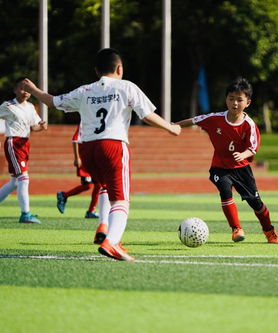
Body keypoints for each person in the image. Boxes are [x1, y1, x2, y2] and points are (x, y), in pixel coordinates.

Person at [22, 48, 181, 261]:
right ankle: (111, 242)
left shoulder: (85, 90)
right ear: (119, 68)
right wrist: (171, 128)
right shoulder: (126, 87)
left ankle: (104, 228)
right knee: (122, 200)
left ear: (97, 71)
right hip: (113, 145)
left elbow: (52, 102)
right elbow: (146, 114)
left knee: (105, 187)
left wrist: (33, 89)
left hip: (88, 149)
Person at [176, 77, 278, 244]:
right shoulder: (215, 119)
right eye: (231, 99)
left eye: (239, 100)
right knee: (225, 191)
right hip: (220, 167)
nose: (235, 103)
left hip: (241, 169)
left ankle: (269, 231)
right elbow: (194, 120)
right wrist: (175, 125)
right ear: (226, 100)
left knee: (256, 203)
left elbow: (253, 147)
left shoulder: (249, 125)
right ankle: (236, 229)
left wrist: (243, 155)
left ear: (248, 102)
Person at [0, 77, 47, 224]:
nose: (25, 92)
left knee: (14, 182)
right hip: (14, 142)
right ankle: (25, 214)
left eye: (28, 89)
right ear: (15, 90)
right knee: (24, 179)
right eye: (22, 88)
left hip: (25, 143)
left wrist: (41, 126)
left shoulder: (31, 107)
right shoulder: (8, 105)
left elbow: (33, 128)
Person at [56, 123, 102, 219]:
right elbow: (75, 139)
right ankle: (64, 195)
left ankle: (91, 211)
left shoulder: (95, 119)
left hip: (94, 158)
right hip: (85, 158)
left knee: (98, 185)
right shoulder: (84, 121)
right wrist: (77, 158)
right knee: (87, 185)